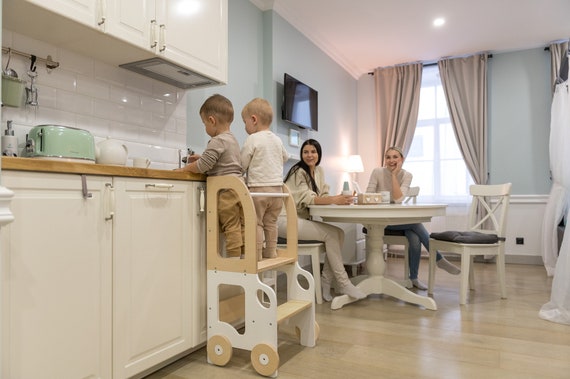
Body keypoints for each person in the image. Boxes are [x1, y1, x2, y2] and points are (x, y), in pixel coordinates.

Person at [278, 139, 367, 301]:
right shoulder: (298, 171)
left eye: (313, 152)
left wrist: (339, 196)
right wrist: (335, 199)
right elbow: (308, 198)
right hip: (285, 221)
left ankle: (326, 282)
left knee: (339, 233)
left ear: (319, 154)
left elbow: (322, 195)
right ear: (301, 154)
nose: (309, 155)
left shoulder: (318, 171)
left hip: (298, 219)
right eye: (306, 152)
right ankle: (343, 282)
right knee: (332, 235)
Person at [366, 146, 460, 290]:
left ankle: (413, 278)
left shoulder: (406, 175)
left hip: (398, 222)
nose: (391, 160)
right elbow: (369, 194)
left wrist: (394, 175)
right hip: (379, 222)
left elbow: (397, 200)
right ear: (385, 159)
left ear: (401, 159)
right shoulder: (377, 172)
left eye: (395, 157)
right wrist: (390, 177)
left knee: (415, 237)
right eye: (388, 157)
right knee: (415, 224)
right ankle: (438, 259)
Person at [177, 94, 245, 258]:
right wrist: (202, 157)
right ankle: (244, 259)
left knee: (230, 226)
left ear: (212, 120)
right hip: (239, 188)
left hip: (225, 191)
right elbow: (223, 161)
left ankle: (234, 262)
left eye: (204, 123)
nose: (205, 127)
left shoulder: (217, 141)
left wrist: (183, 170)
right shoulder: (232, 140)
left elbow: (203, 166)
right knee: (241, 225)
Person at [240, 98, 289, 260]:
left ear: (253, 120)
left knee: (256, 223)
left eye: (244, 122)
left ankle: (257, 254)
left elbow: (242, 163)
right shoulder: (277, 139)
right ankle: (271, 251)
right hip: (277, 191)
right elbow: (285, 157)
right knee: (271, 223)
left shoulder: (252, 139)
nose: (244, 126)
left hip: (258, 190)